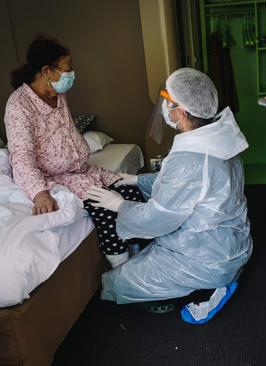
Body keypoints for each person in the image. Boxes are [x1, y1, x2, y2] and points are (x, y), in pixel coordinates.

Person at [86, 67, 253, 324]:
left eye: (168, 101)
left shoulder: (190, 158)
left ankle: (215, 287)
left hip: (205, 257)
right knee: (145, 256)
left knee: (115, 284)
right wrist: (136, 179)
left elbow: (158, 218)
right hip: (232, 242)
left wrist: (119, 206)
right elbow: (187, 186)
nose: (164, 107)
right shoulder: (219, 139)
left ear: (182, 112)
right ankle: (225, 276)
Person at [5, 36, 145, 267]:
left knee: (132, 194)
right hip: (57, 178)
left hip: (81, 170)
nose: (73, 74)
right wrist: (40, 194)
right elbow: (21, 157)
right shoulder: (19, 105)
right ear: (47, 71)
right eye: (67, 70)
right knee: (106, 211)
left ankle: (140, 255)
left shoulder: (57, 94)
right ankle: (123, 269)